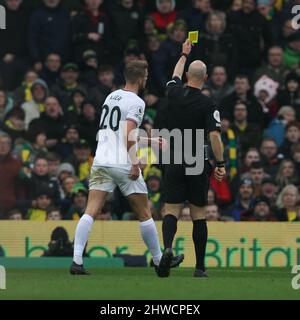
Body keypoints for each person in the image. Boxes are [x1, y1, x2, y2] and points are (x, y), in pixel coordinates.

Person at [70, 60, 182, 277]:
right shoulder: (137, 102)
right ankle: (159, 261)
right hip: (122, 163)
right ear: (141, 78)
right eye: (146, 76)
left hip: (101, 160)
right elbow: (128, 133)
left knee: (90, 210)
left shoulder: (111, 97)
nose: (147, 79)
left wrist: (150, 140)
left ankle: (76, 261)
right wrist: (134, 161)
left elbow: (117, 133)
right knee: (144, 212)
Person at [161, 39, 225, 278]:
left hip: (174, 156)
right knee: (199, 214)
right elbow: (215, 136)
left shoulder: (174, 92)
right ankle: (199, 267)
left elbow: (174, 75)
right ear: (206, 79)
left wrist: (184, 54)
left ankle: (167, 249)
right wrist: (220, 164)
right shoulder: (208, 103)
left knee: (172, 210)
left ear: (188, 75)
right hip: (197, 159)